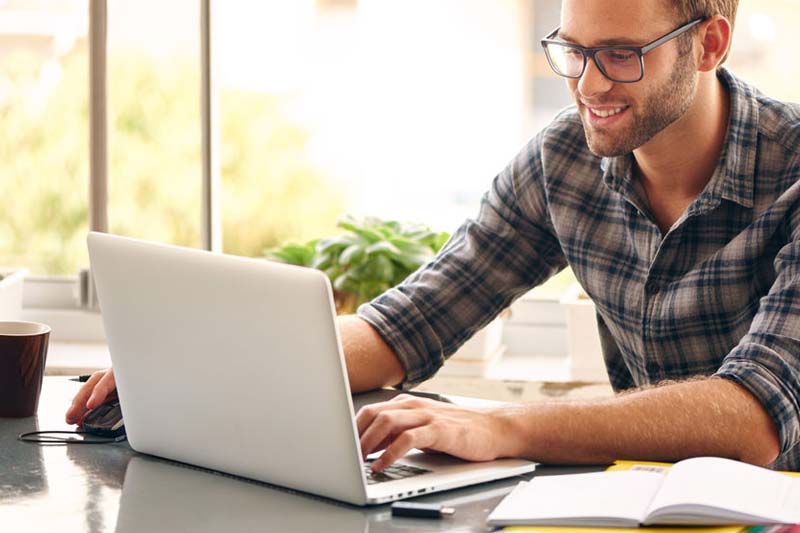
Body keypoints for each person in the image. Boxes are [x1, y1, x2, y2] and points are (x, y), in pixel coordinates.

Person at [67, 0, 800, 472]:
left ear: (709, 44)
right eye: (571, 51)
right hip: (646, 507)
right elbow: (414, 319)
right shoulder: (564, 160)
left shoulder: (792, 171)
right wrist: (194, 367)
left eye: (620, 55)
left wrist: (498, 424)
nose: (586, 84)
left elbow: (754, 417)